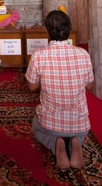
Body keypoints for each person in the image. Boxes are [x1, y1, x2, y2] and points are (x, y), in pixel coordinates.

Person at [26, 10, 94, 170]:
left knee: (36, 126)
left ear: (47, 31)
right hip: (79, 123)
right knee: (80, 129)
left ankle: (56, 144)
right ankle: (76, 141)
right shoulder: (83, 54)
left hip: (50, 123)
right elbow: (89, 86)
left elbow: (32, 86)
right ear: (69, 29)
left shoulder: (39, 55)